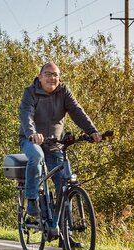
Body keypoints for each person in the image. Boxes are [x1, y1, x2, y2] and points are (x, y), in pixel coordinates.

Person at [19, 62, 101, 224]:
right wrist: (32, 133)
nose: (52, 78)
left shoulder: (64, 92)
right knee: (36, 156)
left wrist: (92, 131)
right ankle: (32, 200)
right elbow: (26, 114)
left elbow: (77, 112)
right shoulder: (30, 92)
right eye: (48, 74)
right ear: (40, 76)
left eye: (55, 74)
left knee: (64, 184)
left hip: (54, 144)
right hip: (31, 140)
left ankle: (64, 229)